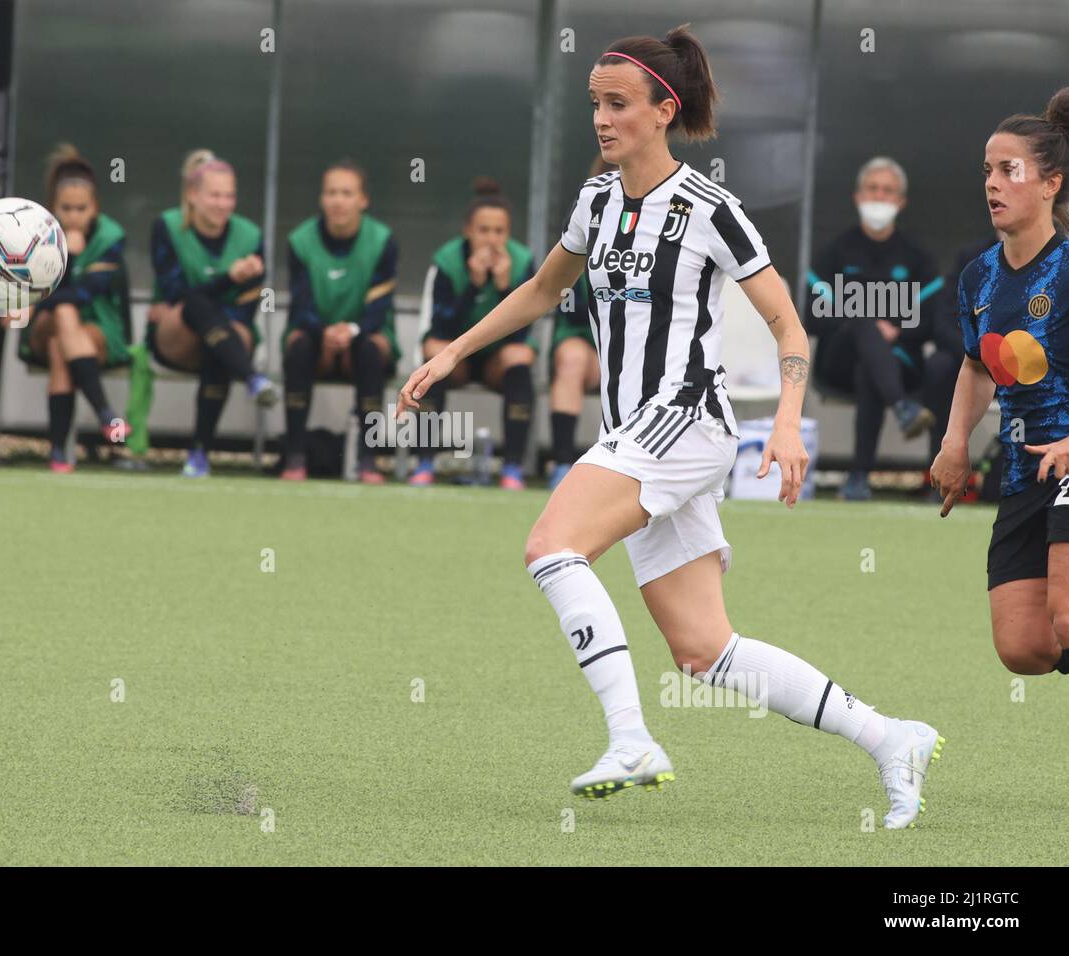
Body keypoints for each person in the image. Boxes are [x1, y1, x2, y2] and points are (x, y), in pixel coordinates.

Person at [398, 24, 942, 829]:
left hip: (686, 422)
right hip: (639, 432)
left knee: (551, 544)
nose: (602, 119)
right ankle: (891, 737)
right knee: (705, 650)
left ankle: (630, 739)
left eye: (619, 104)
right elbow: (543, 292)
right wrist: (452, 352)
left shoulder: (710, 210)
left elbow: (791, 328)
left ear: (664, 109)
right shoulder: (596, 200)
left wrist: (788, 425)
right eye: (595, 104)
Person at [932, 87, 1069, 679]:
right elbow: (976, 364)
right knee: (1025, 647)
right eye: (987, 170)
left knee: (1066, 615)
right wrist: (955, 442)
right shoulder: (977, 277)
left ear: (1050, 184)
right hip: (1021, 472)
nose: (992, 182)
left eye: (1009, 170)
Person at [806, 157, 957, 500]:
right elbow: (811, 316)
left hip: (901, 362)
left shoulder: (918, 256)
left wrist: (898, 333)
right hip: (837, 362)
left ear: (901, 202)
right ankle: (902, 407)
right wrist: (868, 328)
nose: (879, 196)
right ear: (858, 196)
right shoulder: (833, 252)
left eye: (888, 191)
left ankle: (858, 478)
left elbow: (934, 320)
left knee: (869, 369)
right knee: (861, 323)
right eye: (872, 189)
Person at [147, 149, 277, 478]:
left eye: (230, 195)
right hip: (175, 336)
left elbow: (252, 302)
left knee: (218, 341)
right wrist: (228, 279)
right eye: (215, 195)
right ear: (193, 195)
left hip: (228, 338)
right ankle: (252, 378)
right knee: (194, 305)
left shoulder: (250, 236)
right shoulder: (166, 226)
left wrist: (243, 285)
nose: (223, 203)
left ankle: (199, 454)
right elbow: (177, 293)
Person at [410, 177, 537, 490]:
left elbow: (521, 337)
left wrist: (505, 287)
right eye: (483, 231)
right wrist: (474, 285)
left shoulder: (521, 262)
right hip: (457, 356)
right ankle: (424, 461)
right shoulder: (447, 260)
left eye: (499, 232)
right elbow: (440, 328)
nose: (491, 240)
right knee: (433, 354)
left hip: (497, 357)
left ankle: (512, 467)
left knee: (520, 359)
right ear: (467, 230)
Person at [12, 144, 131, 473]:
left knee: (59, 345)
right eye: (66, 208)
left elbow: (87, 293)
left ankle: (58, 453)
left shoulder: (111, 238)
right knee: (62, 318)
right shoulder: (34, 235)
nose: (74, 216)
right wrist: (68, 257)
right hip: (44, 327)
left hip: (97, 332)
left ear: (95, 208)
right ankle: (107, 414)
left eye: (82, 208)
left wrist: (37, 300)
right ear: (53, 208)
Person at [281, 160, 400, 482]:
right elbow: (300, 304)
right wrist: (324, 332)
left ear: (363, 200)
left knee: (370, 349)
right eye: (331, 192)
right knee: (299, 346)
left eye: (346, 193)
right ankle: (294, 458)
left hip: (363, 333)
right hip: (315, 335)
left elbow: (379, 307)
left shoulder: (383, 241)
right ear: (322, 199)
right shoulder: (300, 240)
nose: (337, 200)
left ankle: (368, 460)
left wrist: (352, 330)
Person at [547, 155, 614, 491]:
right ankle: (561, 463)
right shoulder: (586, 216)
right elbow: (558, 298)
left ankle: (624, 467)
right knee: (572, 359)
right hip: (581, 337)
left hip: (633, 344)